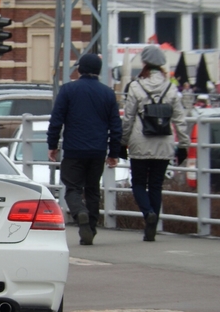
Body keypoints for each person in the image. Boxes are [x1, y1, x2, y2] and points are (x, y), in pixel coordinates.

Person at [47, 53, 122, 246]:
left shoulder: (68, 90)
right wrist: (114, 152)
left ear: (79, 69)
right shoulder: (107, 93)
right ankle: (91, 229)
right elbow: (115, 126)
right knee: (93, 190)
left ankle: (80, 212)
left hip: (74, 148)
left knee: (72, 187)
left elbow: (57, 120)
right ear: (99, 70)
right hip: (97, 150)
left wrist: (52, 145)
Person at [121, 45, 190, 242]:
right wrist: (184, 144)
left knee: (139, 184)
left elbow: (128, 119)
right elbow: (180, 119)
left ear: (144, 63)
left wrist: (123, 142)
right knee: (156, 186)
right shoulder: (171, 87)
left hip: (140, 143)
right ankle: (153, 223)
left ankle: (148, 213)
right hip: (164, 143)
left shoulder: (136, 86)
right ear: (161, 65)